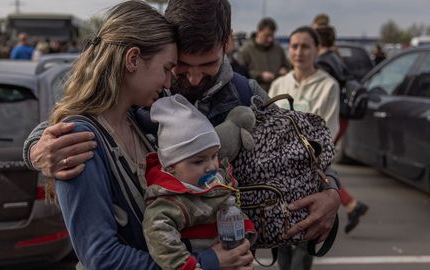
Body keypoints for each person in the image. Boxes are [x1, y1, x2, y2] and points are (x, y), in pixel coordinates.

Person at [23, 0, 340, 267]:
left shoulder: (247, 95)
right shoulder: (143, 96)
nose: (193, 75)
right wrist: (38, 148)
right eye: (180, 66)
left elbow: (299, 157)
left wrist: (331, 190)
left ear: (227, 41)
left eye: (208, 63)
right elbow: (80, 121)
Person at [40, 1, 254, 269]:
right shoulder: (81, 139)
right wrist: (208, 261)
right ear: (132, 60)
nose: (169, 83)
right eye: (167, 68)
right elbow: (102, 258)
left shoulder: (135, 121)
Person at [144, 94, 256, 270]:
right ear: (171, 167)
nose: (211, 166)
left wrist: (246, 232)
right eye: (198, 161)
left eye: (214, 156)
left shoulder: (216, 182)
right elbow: (161, 243)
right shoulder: (169, 202)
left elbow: (229, 206)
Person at [268, 26, 339, 270]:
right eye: (295, 45)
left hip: (311, 176)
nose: (299, 51)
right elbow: (268, 129)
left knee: (303, 248)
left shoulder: (328, 86)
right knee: (281, 243)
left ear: (317, 50)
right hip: (279, 177)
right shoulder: (279, 84)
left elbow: (328, 132)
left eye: (305, 46)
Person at [314, 25, 369, 234]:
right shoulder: (336, 58)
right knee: (320, 167)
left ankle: (349, 204)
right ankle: (352, 205)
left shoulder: (323, 63)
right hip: (343, 117)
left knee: (318, 167)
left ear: (317, 43)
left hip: (332, 118)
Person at [237, 17, 290, 91]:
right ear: (258, 32)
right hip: (254, 94)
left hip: (277, 92)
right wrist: (260, 76)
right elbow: (239, 75)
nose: (270, 39)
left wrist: (285, 70)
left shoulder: (279, 49)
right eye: (266, 35)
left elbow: (288, 66)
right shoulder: (245, 50)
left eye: (272, 36)